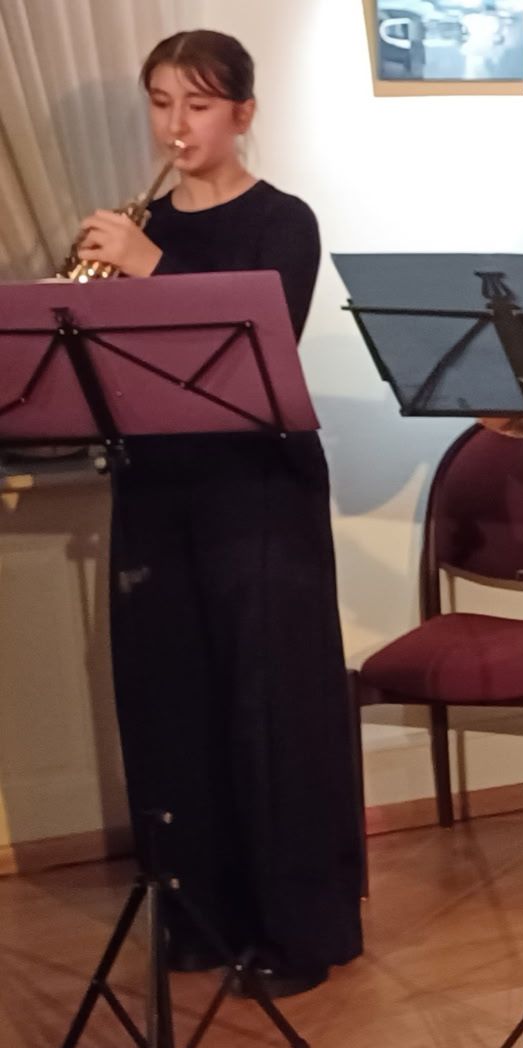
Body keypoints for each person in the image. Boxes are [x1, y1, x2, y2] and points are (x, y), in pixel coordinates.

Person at [71, 29, 361, 998]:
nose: (174, 125)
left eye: (196, 105)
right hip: (155, 485)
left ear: (242, 113)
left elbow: (260, 329)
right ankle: (199, 918)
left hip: (259, 488)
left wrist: (145, 263)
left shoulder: (284, 222)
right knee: (172, 702)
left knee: (268, 708)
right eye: (159, 103)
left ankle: (298, 931)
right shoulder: (136, 219)